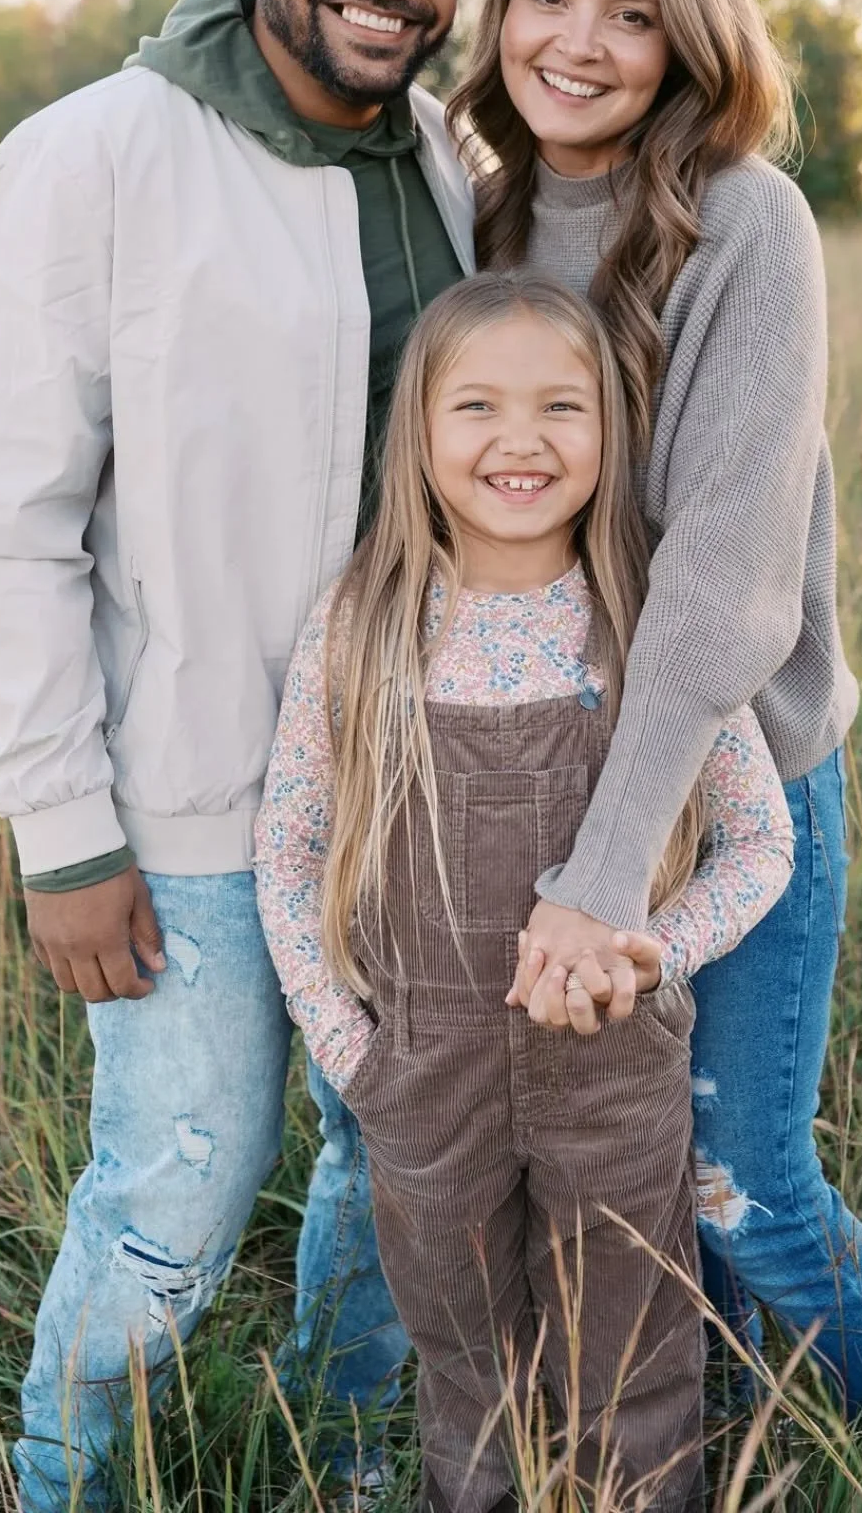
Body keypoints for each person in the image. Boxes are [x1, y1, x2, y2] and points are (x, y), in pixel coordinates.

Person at [0, 0, 475, 1510]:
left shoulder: (452, 167)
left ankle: (355, 1461)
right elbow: (6, 527)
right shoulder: (94, 155)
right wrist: (62, 831)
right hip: (189, 812)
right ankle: (63, 1486)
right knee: (174, 1195)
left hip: (419, 790)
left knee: (397, 1167)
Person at [443, 0, 862, 1510]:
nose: (581, 42)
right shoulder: (480, 211)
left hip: (735, 775)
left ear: (689, 33)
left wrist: (601, 886)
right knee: (624, 1185)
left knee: (748, 1177)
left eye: (631, 10)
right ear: (503, 8)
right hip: (539, 766)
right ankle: (728, 1446)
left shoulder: (747, 218)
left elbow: (724, 584)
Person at [254, 271, 795, 1512]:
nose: (520, 441)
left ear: (612, 429)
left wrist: (655, 954)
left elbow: (761, 843)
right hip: (423, 1069)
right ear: (420, 432)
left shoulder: (648, 622)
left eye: (562, 407)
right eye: (478, 407)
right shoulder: (365, 623)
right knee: (462, 1363)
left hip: (612, 1060)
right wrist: (350, 1049)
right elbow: (288, 852)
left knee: (635, 1356)